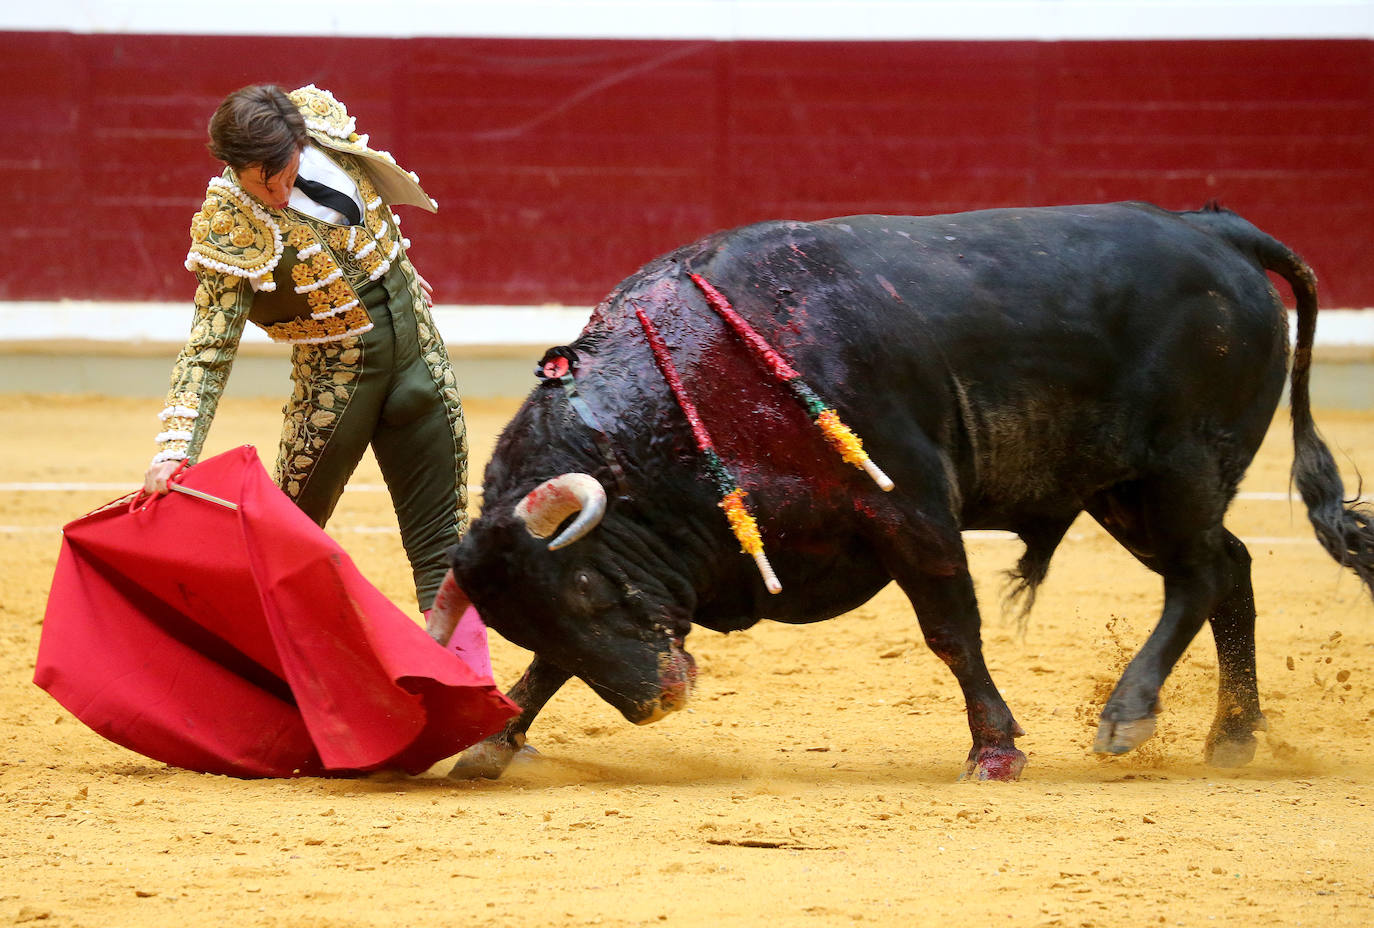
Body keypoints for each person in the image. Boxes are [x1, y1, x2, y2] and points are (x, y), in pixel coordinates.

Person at [143, 83, 474, 636]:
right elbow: (209, 343)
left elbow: (387, 239)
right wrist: (176, 448)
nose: (273, 192)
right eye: (256, 180)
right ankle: (271, 684)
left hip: (421, 361)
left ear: (299, 143)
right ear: (232, 166)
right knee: (284, 543)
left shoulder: (329, 136)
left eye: (284, 174)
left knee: (445, 546)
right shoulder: (230, 222)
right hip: (335, 392)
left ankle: (471, 704)